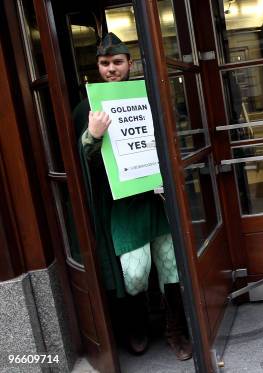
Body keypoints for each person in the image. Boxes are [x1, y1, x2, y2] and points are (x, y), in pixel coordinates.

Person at [71, 33, 192, 359]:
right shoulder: (88, 107)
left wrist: (167, 175)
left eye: (117, 62)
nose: (111, 68)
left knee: (171, 268)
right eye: (104, 63)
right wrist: (92, 136)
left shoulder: (148, 97)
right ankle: (137, 326)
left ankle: (176, 330)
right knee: (134, 273)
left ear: (130, 64)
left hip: (156, 200)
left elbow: (169, 139)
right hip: (123, 205)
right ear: (98, 66)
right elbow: (84, 165)